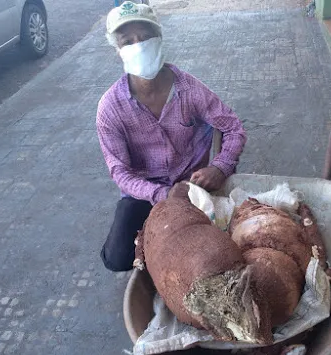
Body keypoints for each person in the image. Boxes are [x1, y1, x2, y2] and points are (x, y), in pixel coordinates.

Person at [96, 1, 247, 272]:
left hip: (195, 189)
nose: (138, 45)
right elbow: (120, 172)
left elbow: (233, 127)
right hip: (145, 193)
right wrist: (162, 193)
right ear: (118, 50)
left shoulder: (189, 89)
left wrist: (219, 167)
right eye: (127, 40)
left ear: (159, 38)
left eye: (145, 36)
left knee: (223, 251)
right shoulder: (110, 108)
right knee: (118, 258)